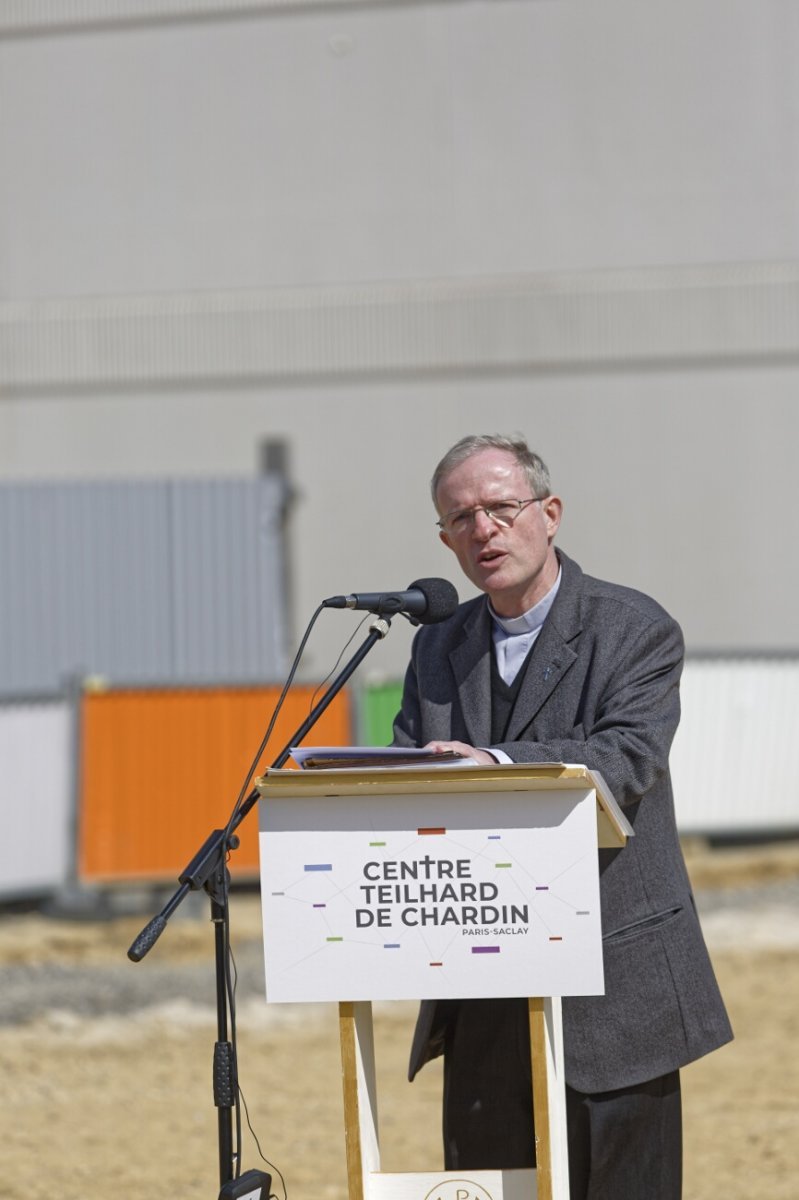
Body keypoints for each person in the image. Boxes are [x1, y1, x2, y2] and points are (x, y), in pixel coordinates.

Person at [392, 433, 732, 1200]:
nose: (482, 530)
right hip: (481, 981)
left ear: (548, 514)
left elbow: (626, 757)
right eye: (459, 519)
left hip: (615, 985)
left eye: (500, 509)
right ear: (443, 539)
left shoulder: (632, 627)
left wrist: (496, 766)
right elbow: (412, 763)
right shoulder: (437, 645)